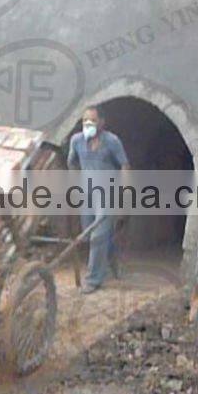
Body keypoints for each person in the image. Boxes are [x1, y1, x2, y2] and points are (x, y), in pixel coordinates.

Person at [67, 105, 130, 294]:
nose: (88, 124)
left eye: (92, 120)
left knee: (98, 235)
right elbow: (72, 163)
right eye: (85, 120)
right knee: (90, 235)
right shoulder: (76, 140)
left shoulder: (112, 141)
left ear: (102, 122)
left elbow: (125, 167)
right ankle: (113, 263)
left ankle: (93, 280)